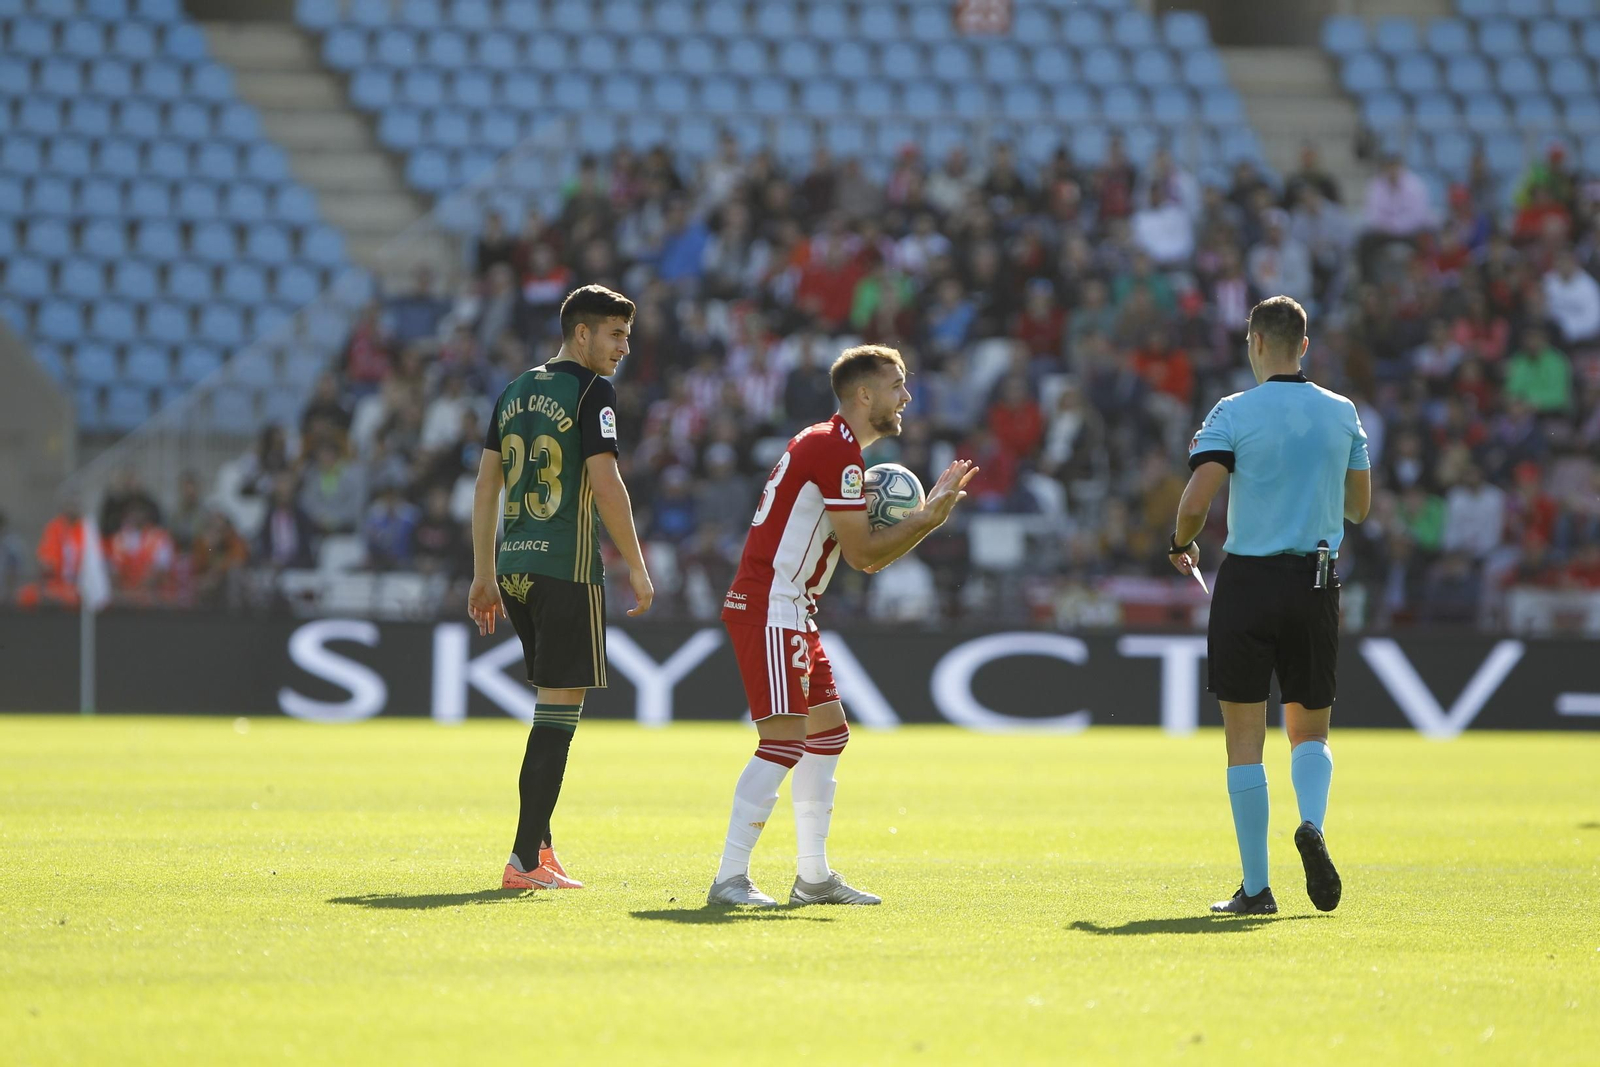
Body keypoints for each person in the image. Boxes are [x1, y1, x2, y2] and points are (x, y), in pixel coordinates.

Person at [707, 345, 977, 907]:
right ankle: (730, 878)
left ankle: (812, 877)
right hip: (770, 604)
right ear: (864, 395)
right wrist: (926, 519)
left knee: (828, 734)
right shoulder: (836, 451)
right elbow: (864, 557)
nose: (906, 397)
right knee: (782, 742)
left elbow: (860, 552)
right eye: (897, 385)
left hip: (793, 607)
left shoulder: (830, 445)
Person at [1169, 296, 1371, 917]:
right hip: (1316, 579)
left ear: (1255, 343)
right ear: (1303, 346)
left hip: (1249, 583)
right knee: (1309, 730)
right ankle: (1311, 823)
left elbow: (1197, 500)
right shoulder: (1342, 413)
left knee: (1243, 737)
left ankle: (1256, 888)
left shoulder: (1233, 412)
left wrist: (1180, 543)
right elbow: (1359, 508)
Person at [468, 285, 655, 892]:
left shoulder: (515, 389)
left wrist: (483, 572)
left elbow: (486, 486)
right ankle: (523, 861)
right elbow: (606, 483)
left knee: (551, 706)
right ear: (583, 334)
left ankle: (540, 849)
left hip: (516, 569)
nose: (623, 348)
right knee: (558, 716)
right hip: (567, 569)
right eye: (615, 335)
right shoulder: (593, 391)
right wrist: (635, 563)